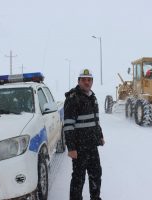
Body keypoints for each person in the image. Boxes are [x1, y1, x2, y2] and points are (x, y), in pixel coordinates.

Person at [63, 68, 105, 200]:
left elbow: (95, 120)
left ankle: (95, 197)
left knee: (96, 174)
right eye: (84, 80)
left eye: (89, 80)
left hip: (92, 145)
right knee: (78, 178)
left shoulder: (92, 97)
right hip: (79, 147)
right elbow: (68, 126)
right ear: (79, 81)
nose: (87, 82)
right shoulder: (73, 99)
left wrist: (100, 135)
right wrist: (71, 148)